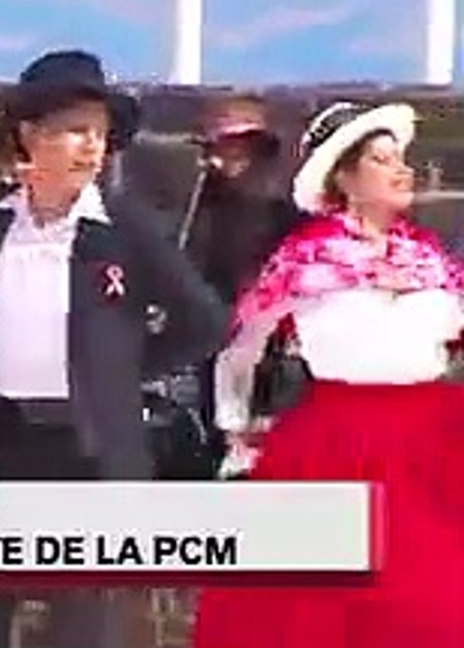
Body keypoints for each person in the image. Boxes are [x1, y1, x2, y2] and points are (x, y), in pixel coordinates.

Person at [0, 49, 228, 648]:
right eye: (75, 130)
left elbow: (204, 320)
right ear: (30, 136)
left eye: (99, 134)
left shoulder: (125, 227)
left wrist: (125, 372)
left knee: (82, 625)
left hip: (91, 450)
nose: (90, 148)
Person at [192, 101, 464, 647]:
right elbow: (241, 346)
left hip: (435, 441)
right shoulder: (307, 258)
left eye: (401, 159)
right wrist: (237, 429)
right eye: (383, 160)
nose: (402, 170)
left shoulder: (429, 257)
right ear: (345, 176)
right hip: (341, 443)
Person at [169, 96, 304, 478]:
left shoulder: (285, 216)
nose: (231, 161)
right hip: (206, 335)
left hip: (266, 341)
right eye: (224, 149)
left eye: (242, 150)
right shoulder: (195, 206)